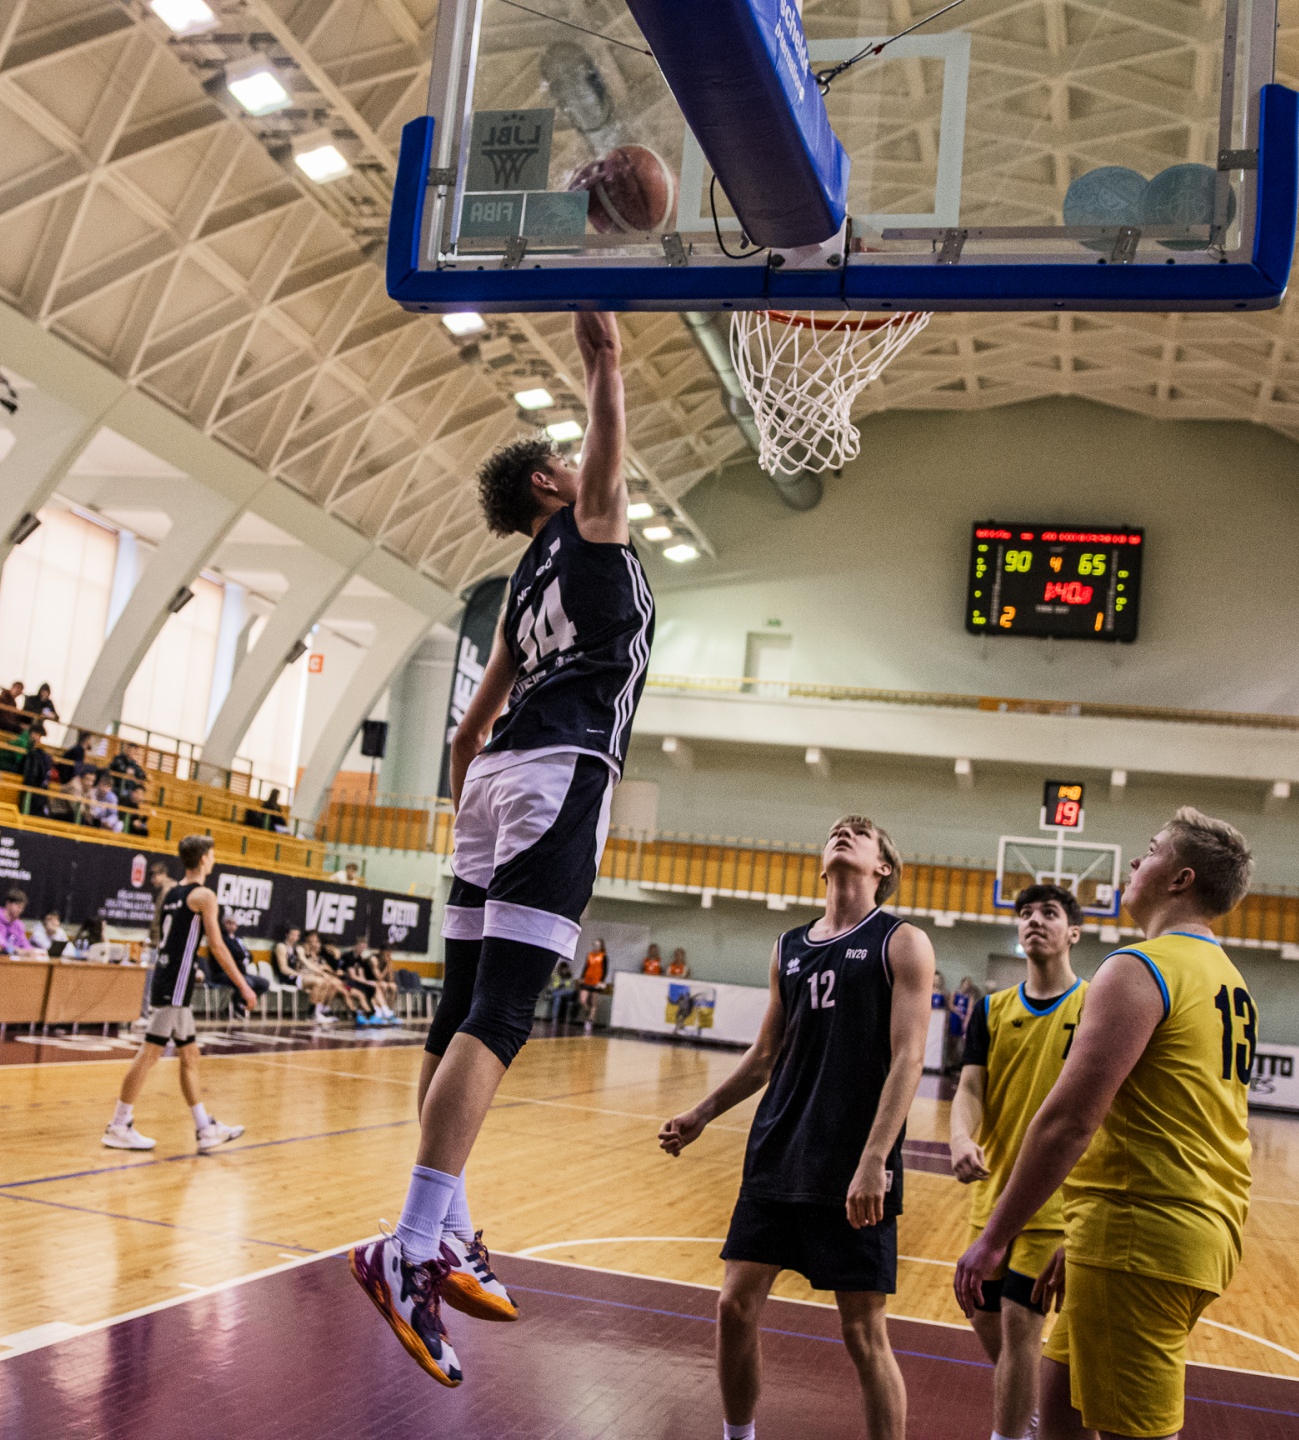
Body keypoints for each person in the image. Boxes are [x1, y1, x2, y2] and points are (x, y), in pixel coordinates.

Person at [350, 312, 648, 1388]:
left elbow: (465, 732)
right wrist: (602, 348)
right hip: (558, 773)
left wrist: (465, 819)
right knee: (506, 1014)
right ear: (546, 486)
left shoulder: (518, 592)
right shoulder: (592, 527)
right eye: (565, 460)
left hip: (490, 782)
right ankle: (410, 1244)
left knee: (459, 1011)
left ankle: (451, 1228)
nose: (584, 464)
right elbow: (607, 384)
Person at [955, 808, 1257, 1440]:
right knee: (1060, 1413)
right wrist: (1084, 1238)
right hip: (1174, 1226)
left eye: (1150, 850)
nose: (1134, 863)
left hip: (1142, 1234)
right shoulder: (1227, 980)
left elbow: (1069, 1122)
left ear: (1180, 878)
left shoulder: (1139, 967)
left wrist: (994, 1238)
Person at [658, 816, 936, 1440]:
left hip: (853, 1162)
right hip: (779, 1149)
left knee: (863, 1332)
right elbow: (765, 1055)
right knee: (734, 1306)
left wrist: (875, 1160)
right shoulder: (788, 947)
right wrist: (701, 1114)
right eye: (837, 829)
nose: (844, 832)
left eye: (861, 832)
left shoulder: (902, 942)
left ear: (883, 867)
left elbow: (909, 1058)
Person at [948, 884, 1088, 1440]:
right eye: (1025, 913)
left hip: (1055, 1202)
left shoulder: (1095, 1007)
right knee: (985, 1317)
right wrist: (961, 1138)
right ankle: (1030, 1415)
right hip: (993, 1194)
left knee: (1019, 1324)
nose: (1034, 920)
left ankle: (1011, 1433)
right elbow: (969, 1088)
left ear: (1073, 932)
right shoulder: (991, 1009)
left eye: (1049, 913)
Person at [102, 835, 253, 1153]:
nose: (214, 860)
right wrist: (243, 985)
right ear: (204, 859)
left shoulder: (172, 893)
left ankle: (205, 1128)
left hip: (168, 978)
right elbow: (217, 945)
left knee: (189, 1055)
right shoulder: (204, 896)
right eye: (212, 855)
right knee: (149, 1054)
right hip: (175, 985)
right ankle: (118, 1125)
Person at [0, 889, 44, 958]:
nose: (20, 910)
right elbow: (0, 943)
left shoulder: (18, 924)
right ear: (8, 904)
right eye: (18, 906)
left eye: (22, 908)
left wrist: (33, 951)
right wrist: (17, 950)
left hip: (12, 960)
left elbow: (25, 944)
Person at [945, 975, 980, 1073]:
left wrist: (966, 1021)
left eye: (969, 984)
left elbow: (969, 1010)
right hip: (955, 1018)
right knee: (952, 1041)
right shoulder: (955, 993)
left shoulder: (970, 997)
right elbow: (950, 1005)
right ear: (962, 983)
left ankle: (960, 1063)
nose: (967, 986)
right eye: (965, 983)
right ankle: (951, 1062)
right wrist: (957, 1011)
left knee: (963, 1042)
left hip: (963, 1020)